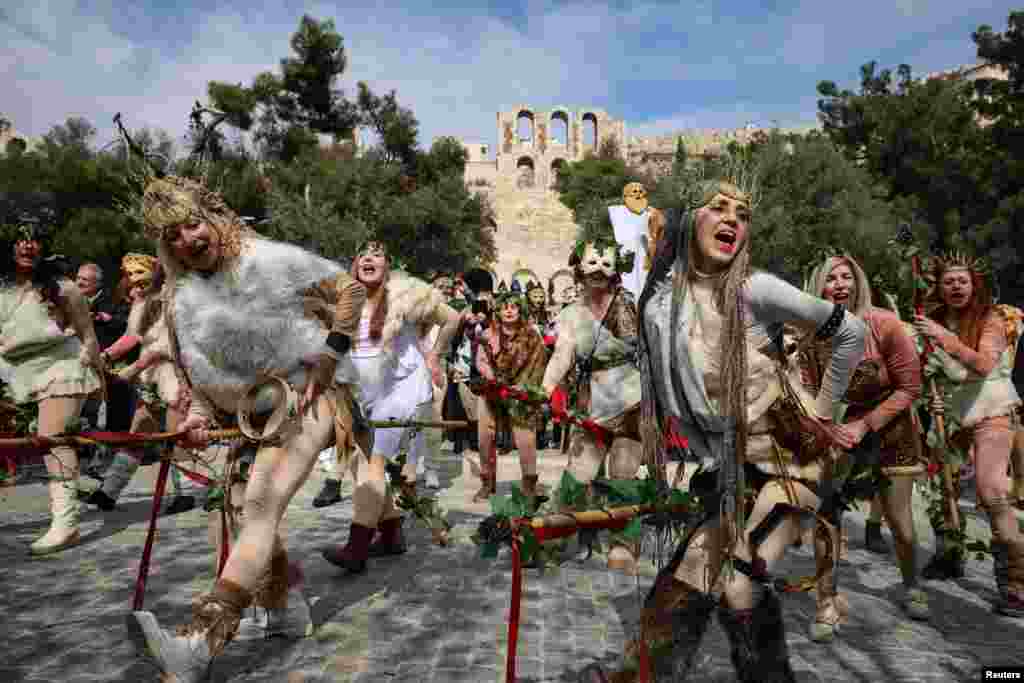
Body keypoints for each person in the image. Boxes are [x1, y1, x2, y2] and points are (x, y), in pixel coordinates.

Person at [578, 172, 865, 683]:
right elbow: (669, 392)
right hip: (728, 470)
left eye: (743, 214)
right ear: (691, 220)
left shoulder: (756, 290)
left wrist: (824, 413)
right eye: (719, 207)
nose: (733, 218)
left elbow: (851, 332)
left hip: (791, 463)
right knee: (729, 583)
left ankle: (636, 677)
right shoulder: (661, 305)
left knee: (719, 573)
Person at [129, 175, 368, 683]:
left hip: (309, 393)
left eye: (192, 224)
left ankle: (199, 644)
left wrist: (329, 355)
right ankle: (285, 608)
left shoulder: (269, 260)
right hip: (248, 416)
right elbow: (197, 371)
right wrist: (195, 416)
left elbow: (348, 290)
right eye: (171, 236)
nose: (187, 240)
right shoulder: (184, 297)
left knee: (259, 502)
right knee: (240, 511)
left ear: (214, 217)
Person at [801, 255, 929, 642]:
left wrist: (866, 423)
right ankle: (827, 602)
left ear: (858, 283)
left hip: (892, 427)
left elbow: (911, 387)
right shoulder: (812, 333)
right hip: (841, 429)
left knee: (900, 524)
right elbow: (808, 392)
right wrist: (826, 428)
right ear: (819, 287)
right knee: (826, 517)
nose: (839, 284)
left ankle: (912, 585)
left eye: (846, 277)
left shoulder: (885, 324)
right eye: (830, 279)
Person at [321, 240, 459, 572]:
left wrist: (434, 356)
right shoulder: (343, 299)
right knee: (362, 465)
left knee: (373, 467)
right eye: (363, 255)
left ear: (388, 265)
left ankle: (356, 550)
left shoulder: (407, 294)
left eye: (378, 255)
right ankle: (392, 534)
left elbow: (452, 318)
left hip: (404, 391)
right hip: (366, 395)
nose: (369, 259)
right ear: (354, 264)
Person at [913, 252, 1023, 617]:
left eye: (963, 280)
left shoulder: (990, 319)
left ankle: (1015, 582)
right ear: (940, 288)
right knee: (935, 487)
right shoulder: (933, 321)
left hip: (992, 411)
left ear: (974, 285)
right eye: (949, 281)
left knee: (991, 490)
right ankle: (950, 554)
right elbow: (925, 370)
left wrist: (944, 339)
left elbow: (984, 365)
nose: (957, 286)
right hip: (951, 418)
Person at [542, 236, 644, 572]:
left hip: (632, 399)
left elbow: (644, 348)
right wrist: (543, 388)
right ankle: (553, 537)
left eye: (605, 265)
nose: (598, 271)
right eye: (592, 264)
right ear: (578, 269)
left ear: (616, 271)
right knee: (579, 473)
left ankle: (624, 544)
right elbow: (562, 355)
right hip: (591, 402)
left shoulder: (627, 305)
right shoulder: (571, 314)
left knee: (624, 473)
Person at [0, 224, 102, 554]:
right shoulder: (2, 288)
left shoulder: (62, 287)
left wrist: (100, 382)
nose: (29, 246)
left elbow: (88, 337)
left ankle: (65, 523)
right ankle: (76, 486)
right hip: (17, 372)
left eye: (36, 240)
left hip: (64, 366)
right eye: (21, 238)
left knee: (52, 436)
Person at [83, 254, 196, 514]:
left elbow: (168, 346)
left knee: (176, 436)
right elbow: (132, 336)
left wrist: (135, 367)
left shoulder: (172, 301)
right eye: (130, 279)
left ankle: (186, 493)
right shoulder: (142, 303)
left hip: (176, 376)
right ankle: (107, 493)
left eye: (140, 279)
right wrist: (105, 356)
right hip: (151, 378)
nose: (134, 286)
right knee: (137, 435)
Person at [470, 286, 548, 504]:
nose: (509, 311)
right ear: (497, 311)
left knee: (526, 439)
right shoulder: (487, 334)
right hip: (491, 392)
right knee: (485, 438)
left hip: (521, 393)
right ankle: (487, 483)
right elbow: (481, 362)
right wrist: (493, 380)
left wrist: (523, 388)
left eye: (514, 307)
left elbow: (539, 363)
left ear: (520, 310)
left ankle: (529, 485)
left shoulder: (532, 335)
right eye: (505, 308)